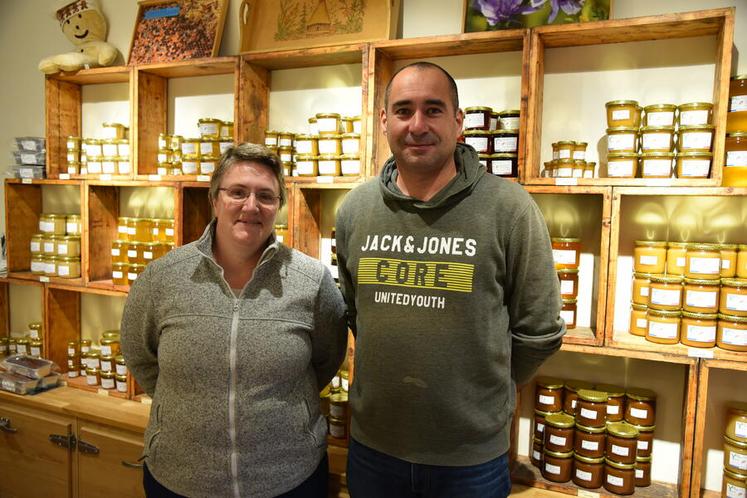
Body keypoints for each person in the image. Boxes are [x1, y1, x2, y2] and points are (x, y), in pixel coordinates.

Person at [335, 62, 566, 497]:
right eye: (403, 111)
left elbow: (540, 330)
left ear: (459, 122)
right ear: (384, 121)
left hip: (470, 460)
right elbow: (354, 310)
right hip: (374, 448)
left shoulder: (510, 208)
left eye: (433, 110)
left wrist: (476, 392)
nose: (417, 125)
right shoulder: (354, 210)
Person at [120, 143, 347, 498]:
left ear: (279, 207)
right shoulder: (162, 278)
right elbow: (140, 355)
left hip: (289, 479)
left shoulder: (312, 280)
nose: (251, 206)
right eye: (238, 192)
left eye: (266, 196)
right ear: (215, 199)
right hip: (180, 478)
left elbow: (326, 359)